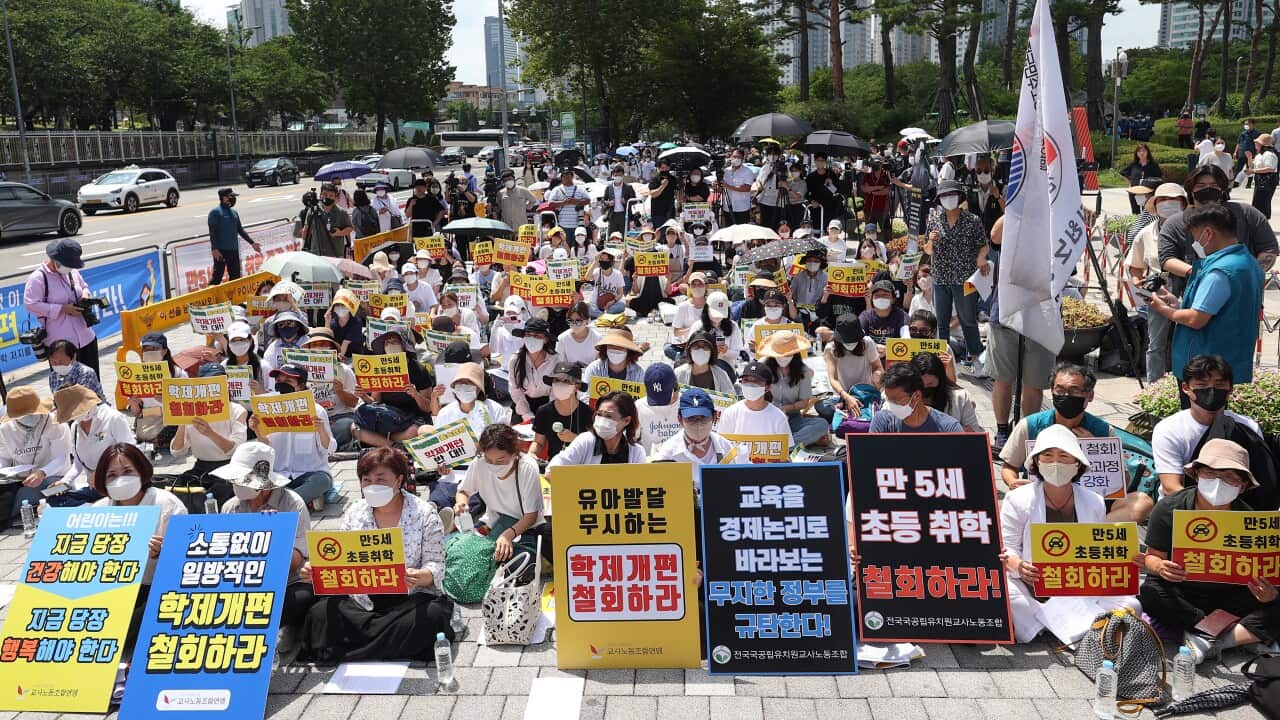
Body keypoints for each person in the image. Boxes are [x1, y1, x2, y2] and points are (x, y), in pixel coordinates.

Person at [298, 447, 453, 662]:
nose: (372, 486)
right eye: (366, 480)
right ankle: (386, 646)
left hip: (409, 599)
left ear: (398, 480)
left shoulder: (424, 513)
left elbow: (436, 563)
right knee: (321, 613)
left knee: (433, 617)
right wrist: (317, 571)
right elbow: (340, 559)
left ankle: (357, 649)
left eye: (380, 479)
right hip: (363, 599)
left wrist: (423, 574)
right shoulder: (355, 511)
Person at [999, 425, 1144, 644]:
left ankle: (1057, 625)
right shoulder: (1018, 499)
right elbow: (1006, 547)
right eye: (1047, 456)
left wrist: (1127, 559)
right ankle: (1079, 625)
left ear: (1077, 463)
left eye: (1064, 456)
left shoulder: (1093, 500)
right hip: (1032, 586)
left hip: (1077, 586)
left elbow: (1098, 550)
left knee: (1132, 606)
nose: (1055, 462)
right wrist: (1019, 565)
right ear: (1036, 462)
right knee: (1009, 599)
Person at [1141, 438, 1279, 664]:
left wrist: (1269, 593)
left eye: (1229, 477)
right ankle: (1240, 635)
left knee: (1275, 603)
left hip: (1231, 596)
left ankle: (1209, 639)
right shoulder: (1170, 507)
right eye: (1210, 473)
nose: (1218, 482)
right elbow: (1152, 558)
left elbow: (1267, 574)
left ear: (1242, 486)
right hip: (1183, 593)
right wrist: (1161, 567)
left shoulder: (1250, 520)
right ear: (1196, 475)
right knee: (1151, 591)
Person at [1150, 203, 1264, 387]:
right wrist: (1178, 305)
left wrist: (1162, 309)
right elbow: (1220, 309)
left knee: (1201, 415)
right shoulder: (1248, 262)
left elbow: (1197, 319)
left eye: (1195, 237)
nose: (1195, 243)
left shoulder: (1219, 271)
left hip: (1204, 373)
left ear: (1208, 234)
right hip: (1228, 363)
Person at [212, 442, 315, 633]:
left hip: (288, 581)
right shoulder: (230, 507)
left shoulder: (292, 503)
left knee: (300, 599)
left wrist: (274, 535)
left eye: (242, 478)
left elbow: (296, 560)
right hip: (244, 581)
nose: (237, 483)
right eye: (234, 479)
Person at [1151, 355, 1277, 511]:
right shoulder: (1169, 429)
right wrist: (1208, 511)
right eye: (1202, 385)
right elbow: (1171, 486)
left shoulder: (1247, 427)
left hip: (1236, 511)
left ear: (1230, 389)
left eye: (1219, 384)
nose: (1211, 390)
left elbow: (1261, 480)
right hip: (1183, 511)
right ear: (1186, 388)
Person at [92, 443, 187, 648]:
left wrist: (161, 554)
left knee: (123, 638)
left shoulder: (166, 505)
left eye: (127, 472)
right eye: (112, 475)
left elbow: (185, 561)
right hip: (111, 589)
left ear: (141, 471)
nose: (120, 479)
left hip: (154, 588)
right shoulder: (99, 510)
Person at [1160, 166, 1277, 314]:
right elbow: (1166, 258)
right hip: (1192, 297)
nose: (1208, 190)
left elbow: (1269, 248)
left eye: (1214, 186)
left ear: (1223, 189)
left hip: (1241, 297)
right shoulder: (1175, 223)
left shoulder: (1247, 214)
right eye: (1201, 186)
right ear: (1191, 190)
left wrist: (1248, 273)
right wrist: (1198, 273)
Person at [986, 215, 1051, 450]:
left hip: (1043, 315)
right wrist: (1018, 203)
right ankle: (1003, 430)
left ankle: (1027, 432)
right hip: (1006, 311)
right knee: (1003, 378)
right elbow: (995, 236)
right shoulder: (1015, 217)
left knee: (1034, 382)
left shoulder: (1057, 213)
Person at [456, 425, 549, 562]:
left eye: (500, 460)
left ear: (514, 453)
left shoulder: (527, 467)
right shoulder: (479, 463)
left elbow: (531, 516)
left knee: (515, 562)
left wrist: (507, 535)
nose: (494, 465)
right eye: (489, 460)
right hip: (494, 522)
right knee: (461, 553)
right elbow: (463, 490)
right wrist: (461, 503)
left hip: (524, 526)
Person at [248, 363, 336, 505]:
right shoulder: (268, 407)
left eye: (288, 381)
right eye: (279, 381)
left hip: (310, 473)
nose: (282, 385)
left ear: (301, 385)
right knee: (253, 482)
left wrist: (321, 430)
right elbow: (266, 448)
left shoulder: (316, 410)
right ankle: (298, 502)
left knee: (322, 481)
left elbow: (329, 449)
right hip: (279, 475)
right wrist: (257, 430)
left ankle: (283, 505)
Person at [1126, 183, 1188, 382]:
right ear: (1156, 204)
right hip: (1160, 291)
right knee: (1156, 344)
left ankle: (1189, 387)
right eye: (1163, 200)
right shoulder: (1146, 233)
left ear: (1184, 203)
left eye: (1174, 200)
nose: (1169, 204)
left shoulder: (1195, 229)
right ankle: (1155, 389)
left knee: (1189, 342)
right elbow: (1135, 266)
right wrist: (1141, 284)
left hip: (1190, 290)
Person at [926, 180, 990, 360]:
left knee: (968, 319)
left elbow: (983, 245)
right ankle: (942, 360)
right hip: (941, 278)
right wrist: (930, 241)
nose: (948, 198)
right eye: (945, 196)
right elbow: (928, 250)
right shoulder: (934, 221)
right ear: (939, 200)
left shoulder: (972, 220)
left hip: (964, 278)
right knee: (941, 322)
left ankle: (976, 357)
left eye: (952, 195)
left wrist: (980, 257)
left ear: (960, 197)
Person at [169, 363, 249, 505]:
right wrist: (182, 421)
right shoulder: (192, 411)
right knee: (176, 490)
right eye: (211, 382)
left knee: (222, 492)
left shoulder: (237, 410)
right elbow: (177, 451)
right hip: (201, 466)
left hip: (228, 466)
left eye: (220, 381)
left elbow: (236, 450)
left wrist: (210, 433)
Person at [24, 238, 100, 376]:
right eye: (68, 264)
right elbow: (31, 304)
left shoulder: (72, 271)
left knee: (93, 387)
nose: (70, 267)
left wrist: (85, 295)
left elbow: (84, 286)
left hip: (86, 337)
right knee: (67, 390)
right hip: (61, 346)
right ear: (55, 260)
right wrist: (61, 309)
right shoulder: (38, 278)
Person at [650, 387, 736, 503]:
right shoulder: (668, 453)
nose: (698, 424)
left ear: (715, 417)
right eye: (691, 419)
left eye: (703, 418)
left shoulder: (725, 447)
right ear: (680, 419)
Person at [0, 387, 70, 525]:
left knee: (56, 491)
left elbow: (61, 457)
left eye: (32, 412)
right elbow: (4, 457)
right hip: (23, 480)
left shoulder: (54, 422)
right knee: (16, 500)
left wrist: (42, 473)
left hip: (54, 477)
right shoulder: (5, 430)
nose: (29, 417)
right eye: (23, 416)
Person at [758, 330, 826, 448]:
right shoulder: (763, 365)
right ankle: (796, 442)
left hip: (792, 417)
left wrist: (786, 409)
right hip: (765, 416)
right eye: (780, 354)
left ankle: (785, 447)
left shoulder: (803, 371)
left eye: (787, 354)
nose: (783, 357)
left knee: (822, 425)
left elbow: (804, 402)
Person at [549, 390, 648, 466]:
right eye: (599, 414)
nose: (602, 420)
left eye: (609, 416)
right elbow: (552, 471)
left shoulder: (636, 452)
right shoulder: (585, 442)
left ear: (626, 420)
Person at [300, 328, 360, 451]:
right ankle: (341, 446)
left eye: (323, 344)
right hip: (314, 419)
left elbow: (353, 402)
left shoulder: (344, 370)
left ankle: (333, 446)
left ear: (331, 347)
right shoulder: (301, 373)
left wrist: (340, 392)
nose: (318, 348)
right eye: (314, 345)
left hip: (340, 417)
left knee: (346, 427)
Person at [817, 314, 883, 423]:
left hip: (864, 392)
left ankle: (849, 414)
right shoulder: (830, 349)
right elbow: (833, 378)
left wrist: (877, 377)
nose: (850, 344)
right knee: (821, 406)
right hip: (842, 395)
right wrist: (847, 397)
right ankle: (854, 413)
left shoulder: (867, 343)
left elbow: (878, 367)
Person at [717, 361, 795, 449]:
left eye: (756, 381)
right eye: (746, 380)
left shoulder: (779, 417)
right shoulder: (730, 413)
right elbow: (721, 447)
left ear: (768, 387)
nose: (750, 385)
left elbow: (784, 453)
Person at [869, 363, 963, 433]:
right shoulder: (881, 422)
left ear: (917, 396)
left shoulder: (949, 428)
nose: (891, 406)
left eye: (897, 401)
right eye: (889, 400)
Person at [433, 362, 512, 439]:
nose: (464, 386)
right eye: (460, 383)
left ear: (479, 388)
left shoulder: (495, 410)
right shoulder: (445, 414)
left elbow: (504, 440)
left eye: (469, 382)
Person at [530, 361, 591, 460]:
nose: (560, 384)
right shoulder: (543, 411)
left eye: (566, 381)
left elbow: (594, 447)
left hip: (580, 467)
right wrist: (532, 453)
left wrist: (575, 438)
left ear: (577, 386)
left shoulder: (588, 413)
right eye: (557, 380)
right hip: (553, 466)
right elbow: (538, 442)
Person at [912, 352, 980, 433]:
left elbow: (974, 433)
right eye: (921, 385)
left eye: (930, 384)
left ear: (940, 379)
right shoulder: (903, 399)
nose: (925, 388)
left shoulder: (959, 398)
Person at [507, 318, 559, 422]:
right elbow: (515, 390)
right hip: (523, 404)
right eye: (528, 335)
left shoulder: (556, 360)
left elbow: (556, 391)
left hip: (549, 404)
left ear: (545, 339)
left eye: (537, 336)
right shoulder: (515, 360)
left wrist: (549, 413)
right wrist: (526, 414)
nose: (531, 339)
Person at [208, 188, 260, 284]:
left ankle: (233, 298)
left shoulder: (234, 212)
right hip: (221, 251)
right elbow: (212, 233)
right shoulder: (215, 212)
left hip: (233, 250)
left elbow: (240, 230)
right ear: (224, 198)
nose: (233, 199)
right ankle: (209, 298)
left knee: (235, 277)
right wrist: (214, 249)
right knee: (217, 277)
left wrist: (252, 243)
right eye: (231, 197)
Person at [636, 363, 682, 453]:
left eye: (665, 397)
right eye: (656, 397)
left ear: (675, 387)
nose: (661, 404)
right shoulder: (638, 407)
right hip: (651, 463)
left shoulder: (686, 404)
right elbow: (633, 438)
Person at [302, 183, 353, 258]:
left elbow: (350, 228)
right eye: (325, 194)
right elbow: (306, 232)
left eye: (331, 195)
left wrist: (339, 233)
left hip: (336, 253)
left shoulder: (342, 212)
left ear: (335, 197)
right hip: (317, 253)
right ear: (320, 195)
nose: (328, 197)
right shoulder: (313, 211)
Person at [860, 280, 908, 348]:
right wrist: (874, 348)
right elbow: (859, 336)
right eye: (877, 295)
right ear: (872, 299)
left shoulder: (902, 315)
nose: (881, 298)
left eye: (885, 295)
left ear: (893, 299)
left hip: (894, 355)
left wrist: (887, 350)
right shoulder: (865, 316)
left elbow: (906, 337)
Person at [966, 156, 1005, 235]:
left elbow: (1008, 212)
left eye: (986, 171)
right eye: (979, 171)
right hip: (976, 237)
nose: (982, 174)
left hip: (995, 237)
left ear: (993, 171)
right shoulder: (971, 191)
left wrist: (998, 197)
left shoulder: (1002, 188)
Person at [1121, 144, 1164, 214]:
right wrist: (1129, 183)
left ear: (1148, 152)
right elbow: (1122, 173)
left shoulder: (1153, 165)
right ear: (1136, 153)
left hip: (1148, 192)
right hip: (1134, 191)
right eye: (1139, 151)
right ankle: (1136, 224)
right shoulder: (1133, 164)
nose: (1141, 153)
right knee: (1135, 212)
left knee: (1147, 212)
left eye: (1144, 151)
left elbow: (1159, 178)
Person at [720, 148, 756, 226]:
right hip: (727, 207)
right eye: (734, 156)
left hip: (741, 208)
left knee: (742, 233)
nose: (736, 159)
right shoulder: (726, 171)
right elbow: (721, 187)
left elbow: (747, 188)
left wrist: (729, 187)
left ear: (743, 159)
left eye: (738, 157)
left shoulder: (748, 171)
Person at [602, 164, 636, 236]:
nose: (617, 177)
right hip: (612, 216)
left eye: (619, 175)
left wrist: (626, 202)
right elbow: (603, 201)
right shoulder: (609, 187)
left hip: (624, 215)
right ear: (613, 175)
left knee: (624, 236)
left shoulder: (628, 187)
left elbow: (634, 200)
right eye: (616, 175)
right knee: (612, 237)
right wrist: (608, 203)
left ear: (623, 175)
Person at [1251, 133, 1277, 219]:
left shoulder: (1269, 155)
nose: (1255, 144)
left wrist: (1254, 171)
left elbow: (1270, 168)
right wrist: (1249, 158)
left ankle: (1262, 224)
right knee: (1257, 203)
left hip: (1267, 181)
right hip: (1259, 181)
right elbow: (1252, 166)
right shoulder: (1259, 155)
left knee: (1263, 203)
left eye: (1257, 143)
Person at [648, 158, 677, 227]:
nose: (665, 170)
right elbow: (653, 194)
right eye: (663, 168)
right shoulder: (655, 179)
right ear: (658, 168)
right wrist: (663, 186)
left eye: (667, 168)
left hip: (670, 212)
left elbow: (677, 194)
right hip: (657, 213)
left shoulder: (673, 179)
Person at [1236, 118, 1260, 188]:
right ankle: (1236, 182)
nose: (1246, 125)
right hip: (1242, 153)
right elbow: (1239, 143)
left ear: (1253, 124)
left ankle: (1248, 183)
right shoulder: (1242, 133)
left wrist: (1257, 153)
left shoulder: (1257, 134)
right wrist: (1235, 152)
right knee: (1238, 168)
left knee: (1250, 168)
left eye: (1248, 124)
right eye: (1245, 124)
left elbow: (1258, 144)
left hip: (1251, 154)